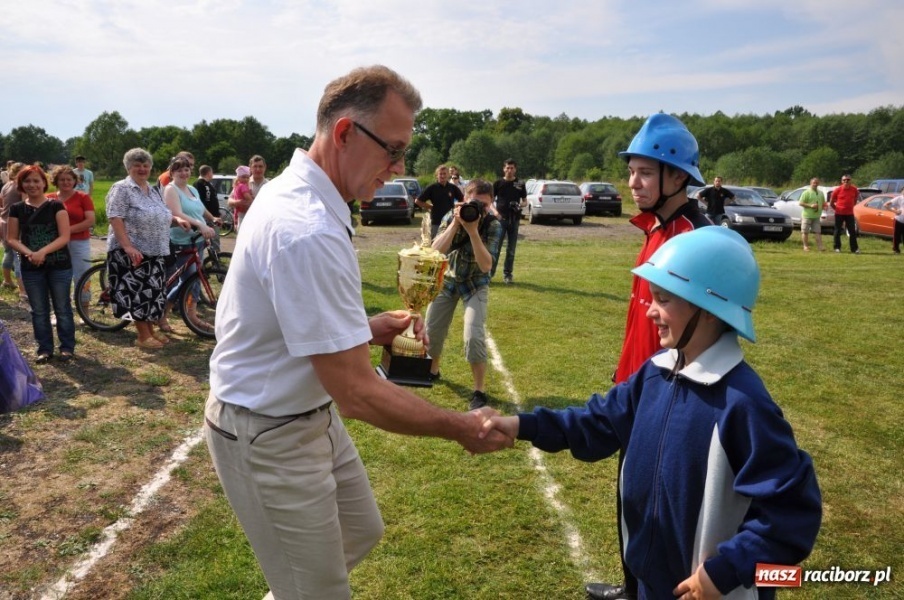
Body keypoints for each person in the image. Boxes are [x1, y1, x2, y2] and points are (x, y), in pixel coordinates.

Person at [204, 64, 512, 600]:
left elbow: (287, 315)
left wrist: (361, 329)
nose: (397, 168)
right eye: (392, 150)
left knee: (359, 532)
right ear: (345, 132)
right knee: (320, 592)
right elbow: (360, 395)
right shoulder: (306, 227)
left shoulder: (309, 197)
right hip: (268, 429)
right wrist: (459, 426)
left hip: (302, 412)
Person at [484, 227, 823, 600]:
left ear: (709, 310)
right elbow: (598, 422)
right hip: (649, 584)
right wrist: (522, 425)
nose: (650, 312)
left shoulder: (743, 404)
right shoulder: (656, 372)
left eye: (663, 300)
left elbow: (790, 513)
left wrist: (723, 573)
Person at [593, 113, 711, 600]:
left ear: (677, 177)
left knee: (658, 505)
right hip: (638, 384)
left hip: (667, 392)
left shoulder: (692, 237)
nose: (632, 183)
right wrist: (625, 377)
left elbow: (698, 332)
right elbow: (645, 318)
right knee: (631, 494)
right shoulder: (656, 230)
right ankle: (630, 586)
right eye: (631, 172)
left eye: (644, 172)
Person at [424, 179, 504, 410]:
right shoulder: (452, 216)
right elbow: (434, 252)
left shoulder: (492, 225)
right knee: (432, 331)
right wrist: (456, 225)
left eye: (485, 205)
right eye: (474, 203)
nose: (479, 209)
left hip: (475, 283)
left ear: (491, 205)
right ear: (464, 200)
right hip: (447, 280)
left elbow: (486, 265)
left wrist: (473, 232)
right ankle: (433, 370)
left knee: (473, 336)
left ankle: (479, 390)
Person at [105, 148, 185, 349]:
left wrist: (176, 220)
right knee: (138, 292)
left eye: (145, 165)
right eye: (137, 165)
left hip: (156, 250)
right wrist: (127, 246)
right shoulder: (122, 188)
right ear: (128, 167)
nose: (142, 168)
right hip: (133, 251)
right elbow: (115, 217)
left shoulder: (152, 189)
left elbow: (162, 214)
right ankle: (142, 336)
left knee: (153, 292)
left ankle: (150, 331)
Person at [5, 165, 76, 362]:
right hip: (31, 267)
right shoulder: (17, 209)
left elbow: (64, 236)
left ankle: (67, 347)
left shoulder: (56, 206)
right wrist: (31, 253)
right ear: (21, 184)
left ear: (44, 183)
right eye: (27, 181)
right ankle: (44, 349)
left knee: (62, 307)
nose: (32, 185)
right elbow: (11, 238)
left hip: (59, 265)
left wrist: (42, 252)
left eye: (36, 180)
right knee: (39, 310)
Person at [158, 156, 217, 335]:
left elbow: (201, 208)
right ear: (172, 172)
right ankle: (168, 315)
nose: (184, 173)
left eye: (186, 169)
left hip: (197, 239)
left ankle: (188, 314)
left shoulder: (191, 189)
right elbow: (176, 212)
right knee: (187, 281)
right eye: (179, 170)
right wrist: (200, 225)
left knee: (192, 280)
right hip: (182, 240)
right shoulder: (171, 189)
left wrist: (211, 218)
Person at [46, 165, 96, 306]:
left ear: (75, 181)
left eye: (69, 179)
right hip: (55, 244)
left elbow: (90, 220)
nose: (66, 182)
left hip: (79, 242)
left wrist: (66, 231)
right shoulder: (49, 199)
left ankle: (83, 308)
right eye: (62, 180)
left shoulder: (83, 197)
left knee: (82, 275)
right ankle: (59, 309)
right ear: (56, 181)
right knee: (57, 276)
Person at [492, 159, 527, 284]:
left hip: (514, 219)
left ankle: (508, 275)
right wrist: (496, 213)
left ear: (515, 169)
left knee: (511, 249)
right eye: (508, 168)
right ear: (504, 169)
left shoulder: (520, 184)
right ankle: (490, 274)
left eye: (512, 168)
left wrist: (519, 205)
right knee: (495, 248)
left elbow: (525, 201)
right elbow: (490, 201)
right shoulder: (498, 183)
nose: (510, 170)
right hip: (500, 220)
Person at [1, 162, 28, 301]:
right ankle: (23, 290)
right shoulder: (21, 187)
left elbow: (1, 203)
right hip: (15, 225)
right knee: (19, 257)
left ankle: (7, 280)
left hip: (3, 223)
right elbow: (25, 206)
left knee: (8, 253)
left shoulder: (6, 186)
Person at [416, 164, 463, 239]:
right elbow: (418, 201)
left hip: (450, 221)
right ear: (437, 175)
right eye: (440, 174)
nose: (442, 176)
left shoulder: (453, 188)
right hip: (436, 221)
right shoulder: (432, 188)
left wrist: (457, 207)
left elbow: (463, 200)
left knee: (451, 243)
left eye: (444, 174)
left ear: (448, 175)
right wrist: (430, 207)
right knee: (436, 244)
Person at [194, 165, 222, 251]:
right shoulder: (198, 184)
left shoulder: (209, 184)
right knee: (211, 237)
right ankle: (212, 257)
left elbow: (213, 199)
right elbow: (199, 201)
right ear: (209, 173)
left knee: (215, 237)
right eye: (212, 172)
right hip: (206, 216)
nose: (212, 174)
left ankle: (215, 256)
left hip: (214, 215)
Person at [830, 174, 860, 254]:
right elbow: (831, 202)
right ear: (841, 181)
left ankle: (854, 249)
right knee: (837, 230)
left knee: (852, 231)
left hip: (850, 214)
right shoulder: (837, 190)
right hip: (839, 213)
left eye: (848, 180)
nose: (846, 181)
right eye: (844, 180)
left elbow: (855, 200)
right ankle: (837, 247)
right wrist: (837, 209)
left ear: (850, 181)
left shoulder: (854, 189)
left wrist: (850, 207)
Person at [798, 177, 826, 252]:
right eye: (814, 183)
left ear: (818, 184)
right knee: (805, 231)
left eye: (817, 183)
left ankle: (820, 247)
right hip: (807, 216)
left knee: (818, 232)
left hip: (817, 216)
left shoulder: (821, 193)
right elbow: (800, 203)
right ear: (810, 184)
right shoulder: (806, 192)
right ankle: (805, 246)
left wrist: (825, 206)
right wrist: (810, 205)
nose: (815, 184)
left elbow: (823, 203)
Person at [227, 165, 254, 232]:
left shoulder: (236, 186)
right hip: (245, 213)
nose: (246, 179)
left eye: (247, 177)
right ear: (238, 177)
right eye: (243, 177)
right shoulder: (243, 186)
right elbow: (248, 198)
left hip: (239, 211)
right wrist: (252, 200)